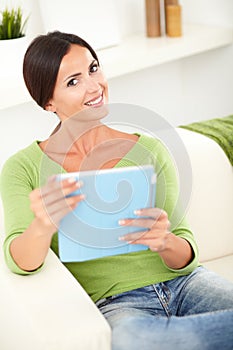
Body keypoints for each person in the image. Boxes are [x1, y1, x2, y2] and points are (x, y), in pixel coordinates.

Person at [1, 31, 233, 350]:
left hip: (187, 285)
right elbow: (21, 261)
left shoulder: (149, 149)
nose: (95, 86)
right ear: (48, 101)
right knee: (134, 342)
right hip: (118, 305)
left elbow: (186, 254)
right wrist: (44, 224)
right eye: (73, 81)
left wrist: (164, 241)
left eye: (93, 68)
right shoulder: (23, 167)